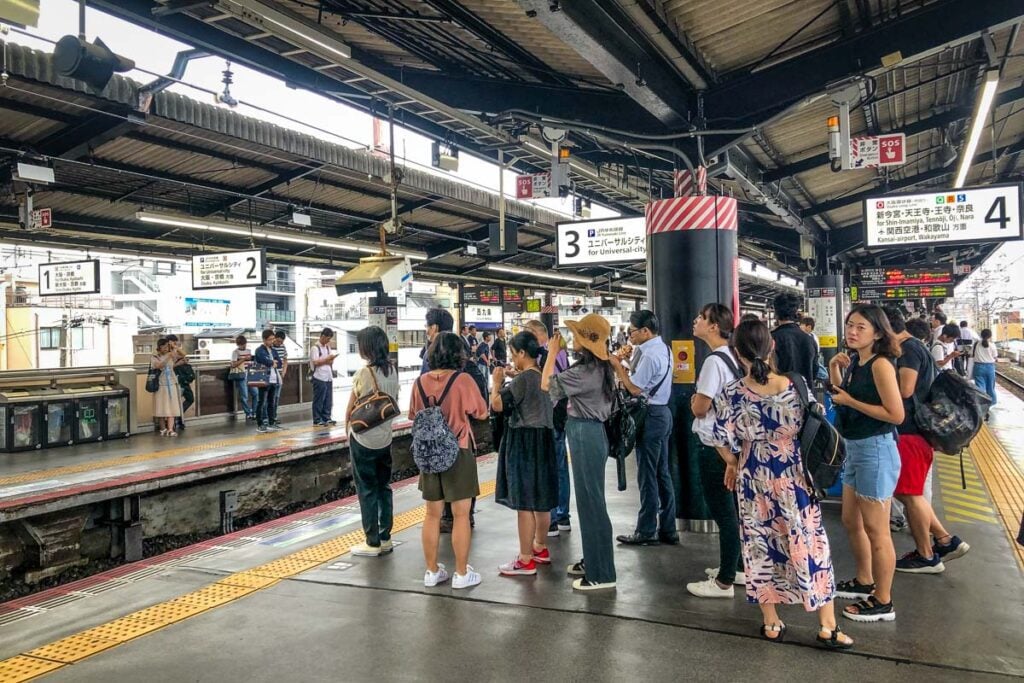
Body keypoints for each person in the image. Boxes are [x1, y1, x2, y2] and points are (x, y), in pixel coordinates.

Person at [710, 319, 853, 649]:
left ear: (736, 353)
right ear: (772, 347)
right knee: (809, 545)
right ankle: (827, 627)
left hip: (753, 476)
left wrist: (734, 462)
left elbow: (716, 436)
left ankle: (772, 623)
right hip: (794, 475)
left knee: (760, 547)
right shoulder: (796, 385)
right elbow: (815, 422)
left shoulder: (731, 393)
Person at [829, 304, 904, 623]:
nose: (852, 331)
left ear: (878, 332)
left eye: (860, 327)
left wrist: (850, 401)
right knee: (850, 519)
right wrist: (835, 369)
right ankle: (864, 580)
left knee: (877, 529)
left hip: (876, 449)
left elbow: (895, 414)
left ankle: (883, 601)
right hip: (856, 448)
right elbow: (841, 399)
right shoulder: (856, 361)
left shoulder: (881, 365)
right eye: (850, 325)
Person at [882, 307, 970, 575]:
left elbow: (905, 389)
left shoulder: (908, 349)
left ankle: (927, 554)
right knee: (905, 491)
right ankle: (945, 541)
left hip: (910, 431)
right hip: (913, 432)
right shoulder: (917, 347)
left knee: (910, 494)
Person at [542, 314, 617, 591]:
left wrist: (552, 353)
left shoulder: (585, 373)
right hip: (589, 432)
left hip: (585, 433)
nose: (571, 340)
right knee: (589, 501)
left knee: (592, 503)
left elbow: (546, 384)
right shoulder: (600, 368)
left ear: (586, 343)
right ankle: (594, 560)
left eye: (576, 337)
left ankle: (602, 573)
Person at [409, 332, 489, 590]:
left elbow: (413, 416)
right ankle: (462, 574)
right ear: (459, 354)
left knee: (432, 514)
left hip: (428, 454)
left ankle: (432, 571)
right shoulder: (462, 379)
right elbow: (481, 412)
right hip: (459, 451)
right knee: (461, 514)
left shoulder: (419, 382)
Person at [686, 303, 746, 598]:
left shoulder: (713, 361)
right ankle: (738, 567)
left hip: (715, 446)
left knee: (724, 513)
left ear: (713, 326)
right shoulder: (735, 357)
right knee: (734, 510)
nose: (695, 321)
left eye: (700, 318)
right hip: (735, 444)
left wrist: (694, 403)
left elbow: (700, 407)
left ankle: (724, 581)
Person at [492, 331, 558, 576]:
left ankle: (525, 559)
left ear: (521, 353)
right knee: (541, 500)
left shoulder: (520, 381)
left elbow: (497, 405)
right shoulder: (543, 375)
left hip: (524, 441)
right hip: (544, 439)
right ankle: (540, 547)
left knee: (524, 503)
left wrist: (496, 383)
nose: (513, 359)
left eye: (513, 353)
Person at [609, 310, 677, 546]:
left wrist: (617, 365)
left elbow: (635, 389)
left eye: (633, 332)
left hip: (650, 416)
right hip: (663, 414)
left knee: (647, 475)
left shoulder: (649, 355)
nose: (630, 336)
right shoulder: (663, 348)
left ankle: (646, 530)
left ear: (646, 331)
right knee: (662, 473)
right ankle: (668, 528)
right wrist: (628, 362)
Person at [347, 326, 401, 557]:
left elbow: (351, 408)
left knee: (366, 489)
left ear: (366, 347)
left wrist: (346, 428)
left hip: (364, 440)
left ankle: (372, 542)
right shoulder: (392, 371)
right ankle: (386, 537)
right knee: (383, 487)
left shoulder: (364, 373)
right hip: (385, 438)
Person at [525, 319, 571, 536]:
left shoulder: (546, 355)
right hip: (562, 415)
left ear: (536, 334)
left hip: (549, 416)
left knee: (548, 467)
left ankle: (550, 521)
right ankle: (563, 517)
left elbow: (547, 386)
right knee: (561, 467)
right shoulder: (562, 353)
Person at [771, 293, 817, 386]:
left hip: (780, 394)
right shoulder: (809, 339)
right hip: (806, 394)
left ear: (776, 313)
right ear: (796, 312)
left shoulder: (771, 338)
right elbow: (815, 370)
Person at [254, 329, 284, 433]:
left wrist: (273, 362)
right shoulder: (259, 350)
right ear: (264, 340)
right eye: (270, 339)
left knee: (272, 402)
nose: (272, 341)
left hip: (274, 379)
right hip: (263, 379)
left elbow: (279, 363)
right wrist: (272, 362)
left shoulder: (273, 350)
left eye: (273, 339)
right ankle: (260, 423)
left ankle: (272, 422)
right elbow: (263, 360)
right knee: (261, 402)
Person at [151, 338, 182, 437]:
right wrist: (168, 356)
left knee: (172, 407)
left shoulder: (171, 354)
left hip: (172, 383)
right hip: (160, 384)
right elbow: (159, 365)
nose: (165, 348)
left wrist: (174, 347)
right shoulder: (154, 357)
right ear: (159, 347)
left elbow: (183, 355)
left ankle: (170, 429)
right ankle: (163, 428)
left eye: (166, 346)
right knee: (161, 408)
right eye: (163, 346)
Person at [310, 328, 337, 426]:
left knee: (328, 398)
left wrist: (330, 359)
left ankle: (327, 417)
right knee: (319, 398)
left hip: (328, 376)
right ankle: (317, 419)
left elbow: (330, 361)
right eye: (327, 338)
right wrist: (327, 360)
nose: (328, 341)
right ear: (322, 336)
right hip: (319, 376)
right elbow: (316, 362)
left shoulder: (328, 347)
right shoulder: (315, 348)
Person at [166, 334, 193, 432]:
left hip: (181, 379)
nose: (175, 344)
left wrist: (176, 348)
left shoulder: (174, 351)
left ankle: (178, 418)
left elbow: (184, 354)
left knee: (189, 398)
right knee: (174, 402)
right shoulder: (165, 352)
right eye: (174, 342)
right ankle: (174, 422)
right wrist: (179, 364)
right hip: (173, 380)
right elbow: (168, 367)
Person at [229, 334, 257, 420]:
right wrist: (244, 359)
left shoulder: (249, 350)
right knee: (244, 396)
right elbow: (233, 364)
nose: (243, 346)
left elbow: (252, 361)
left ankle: (254, 412)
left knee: (256, 393)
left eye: (244, 344)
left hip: (250, 374)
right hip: (241, 375)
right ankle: (248, 413)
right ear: (238, 344)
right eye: (241, 344)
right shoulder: (235, 352)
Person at [972, 329, 997, 417]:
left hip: (978, 367)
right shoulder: (992, 345)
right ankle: (991, 403)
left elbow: (972, 355)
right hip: (990, 367)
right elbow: (995, 357)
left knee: (980, 387)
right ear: (990, 336)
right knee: (990, 387)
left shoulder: (976, 344)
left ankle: (981, 404)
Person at [422, 308, 454, 375]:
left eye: (426, 326)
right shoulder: (461, 350)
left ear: (434, 328)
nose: (426, 331)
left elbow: (424, 382)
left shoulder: (431, 354)